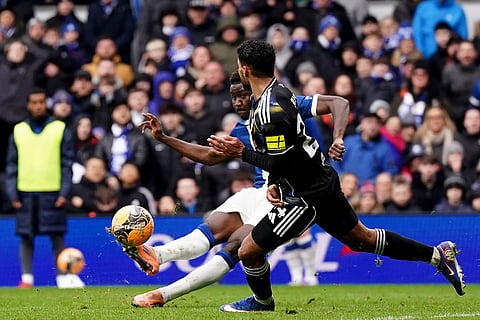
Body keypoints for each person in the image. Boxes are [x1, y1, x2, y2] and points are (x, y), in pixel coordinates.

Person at [208, 39, 465, 312]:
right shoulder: (277, 94)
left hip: (304, 195)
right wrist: (274, 180)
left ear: (245, 70)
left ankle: (262, 303)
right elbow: (301, 139)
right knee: (361, 240)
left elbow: (285, 163)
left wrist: (242, 153)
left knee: (248, 250)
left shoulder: (272, 110)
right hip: (318, 180)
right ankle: (438, 255)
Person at [123, 70, 350, 307]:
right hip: (257, 192)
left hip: (286, 197)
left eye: (243, 95)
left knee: (235, 246)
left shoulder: (284, 106)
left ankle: (164, 294)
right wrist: (164, 138)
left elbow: (338, 103)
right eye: (234, 97)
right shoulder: (241, 128)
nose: (238, 102)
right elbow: (210, 156)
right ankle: (157, 254)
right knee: (210, 229)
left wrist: (338, 138)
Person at [5, 88, 77, 288]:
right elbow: (11, 165)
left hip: (53, 193)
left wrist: (64, 192)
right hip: (25, 193)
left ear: (47, 103)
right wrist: (12, 193)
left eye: (41, 102)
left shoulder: (60, 129)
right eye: (34, 102)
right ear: (28, 105)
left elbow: (67, 164)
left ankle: (63, 277)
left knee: (57, 237)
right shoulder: (19, 130)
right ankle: (27, 278)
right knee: (26, 237)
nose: (38, 106)